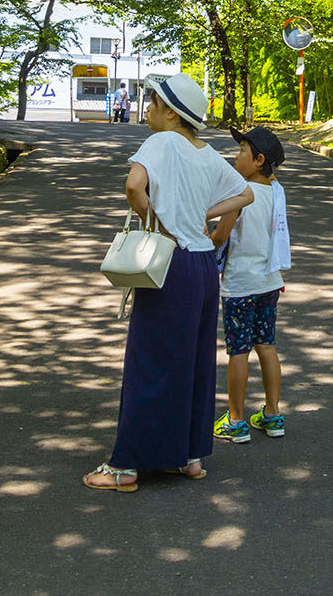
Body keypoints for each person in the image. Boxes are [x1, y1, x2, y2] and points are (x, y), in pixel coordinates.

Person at [85, 74, 253, 492]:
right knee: (192, 361)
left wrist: (155, 222)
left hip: (170, 263)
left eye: (153, 100)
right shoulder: (207, 152)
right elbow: (245, 194)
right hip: (202, 267)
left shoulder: (161, 142)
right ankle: (188, 457)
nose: (148, 107)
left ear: (171, 112)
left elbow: (133, 186)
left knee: (149, 359)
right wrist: (200, 217)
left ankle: (125, 467)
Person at [209, 126, 290, 443]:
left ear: (258, 160)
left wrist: (202, 235)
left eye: (242, 150)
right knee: (266, 346)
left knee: (239, 351)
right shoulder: (276, 191)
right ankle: (272, 414)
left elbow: (220, 237)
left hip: (241, 284)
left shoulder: (239, 194)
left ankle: (237, 420)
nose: (235, 155)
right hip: (270, 281)